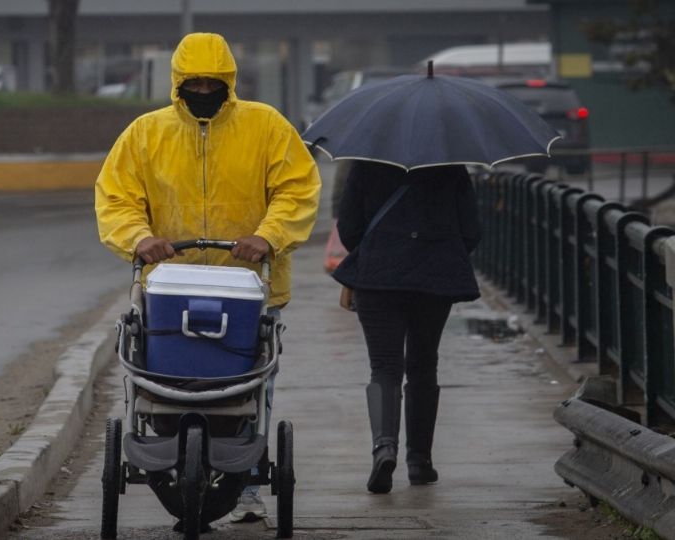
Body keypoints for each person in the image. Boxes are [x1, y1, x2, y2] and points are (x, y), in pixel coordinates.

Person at [94, 33, 321, 520]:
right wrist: (139, 238)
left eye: (211, 82)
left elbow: (297, 190)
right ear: (177, 83)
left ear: (229, 82)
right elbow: (117, 197)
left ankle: (245, 484)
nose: (202, 89)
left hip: (248, 288)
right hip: (169, 291)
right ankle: (170, 454)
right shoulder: (145, 134)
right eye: (192, 82)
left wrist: (268, 236)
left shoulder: (266, 128)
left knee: (250, 386)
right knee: (164, 382)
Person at [333, 160, 480, 494]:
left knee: (384, 366)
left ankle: (384, 448)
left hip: (378, 277)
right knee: (424, 365)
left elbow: (349, 228)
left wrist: (378, 248)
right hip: (434, 277)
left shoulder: (367, 163)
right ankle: (420, 462)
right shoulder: (450, 165)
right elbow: (471, 231)